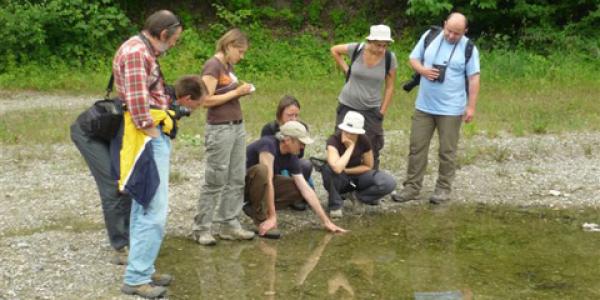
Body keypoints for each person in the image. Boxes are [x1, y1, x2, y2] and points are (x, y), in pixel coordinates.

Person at [109, 10, 204, 299]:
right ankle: (137, 278)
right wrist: (155, 137)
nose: (174, 44)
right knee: (154, 210)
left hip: (149, 136)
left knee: (143, 206)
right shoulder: (138, 53)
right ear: (163, 34)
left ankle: (143, 269)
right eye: (174, 39)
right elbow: (138, 107)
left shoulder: (140, 50)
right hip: (147, 138)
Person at [392, 12, 480, 204]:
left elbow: (474, 78)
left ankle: (443, 189)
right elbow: (413, 58)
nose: (450, 36)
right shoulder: (430, 36)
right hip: (424, 106)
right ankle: (412, 188)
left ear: (465, 31)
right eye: (449, 31)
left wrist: (471, 107)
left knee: (447, 151)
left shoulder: (469, 48)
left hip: (451, 109)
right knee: (417, 147)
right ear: (444, 24)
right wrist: (422, 70)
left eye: (456, 33)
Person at [192, 28, 256, 246]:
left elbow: (225, 93)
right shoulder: (213, 66)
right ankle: (202, 227)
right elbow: (205, 100)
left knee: (237, 177)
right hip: (220, 129)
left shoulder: (228, 67)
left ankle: (229, 223)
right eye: (240, 51)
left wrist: (240, 90)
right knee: (215, 179)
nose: (242, 56)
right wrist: (236, 93)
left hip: (236, 127)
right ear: (228, 46)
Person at [244, 121, 347, 238]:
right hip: (240, 188)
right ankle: (261, 220)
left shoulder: (292, 156)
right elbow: (268, 182)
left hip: (259, 187)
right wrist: (273, 217)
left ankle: (254, 208)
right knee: (263, 171)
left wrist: (326, 221)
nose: (303, 147)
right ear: (288, 140)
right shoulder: (268, 145)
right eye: (301, 143)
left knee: (299, 189)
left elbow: (305, 189)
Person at [330, 24, 397, 169]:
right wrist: (347, 70)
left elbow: (390, 86)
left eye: (385, 45)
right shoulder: (357, 49)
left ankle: (369, 179)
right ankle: (341, 179)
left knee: (373, 145)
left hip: (371, 108)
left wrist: (382, 111)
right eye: (378, 45)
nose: (381, 49)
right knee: (342, 140)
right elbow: (334, 50)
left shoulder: (389, 58)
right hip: (347, 104)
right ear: (370, 42)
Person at [321, 111, 396, 218]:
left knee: (388, 182)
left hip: (356, 175)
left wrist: (347, 171)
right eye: (346, 131)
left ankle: (359, 197)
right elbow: (337, 168)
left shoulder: (364, 140)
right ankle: (335, 205)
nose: (348, 135)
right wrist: (350, 148)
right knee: (328, 169)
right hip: (338, 177)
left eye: (352, 133)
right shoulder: (333, 140)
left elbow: (368, 166)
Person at [260, 95, 314, 209]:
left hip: (292, 162)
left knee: (306, 165)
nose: (293, 119)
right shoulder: (269, 128)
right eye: (289, 115)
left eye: (296, 115)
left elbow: (300, 154)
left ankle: (297, 195)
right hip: (275, 164)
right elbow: (265, 156)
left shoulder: (301, 127)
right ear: (280, 115)